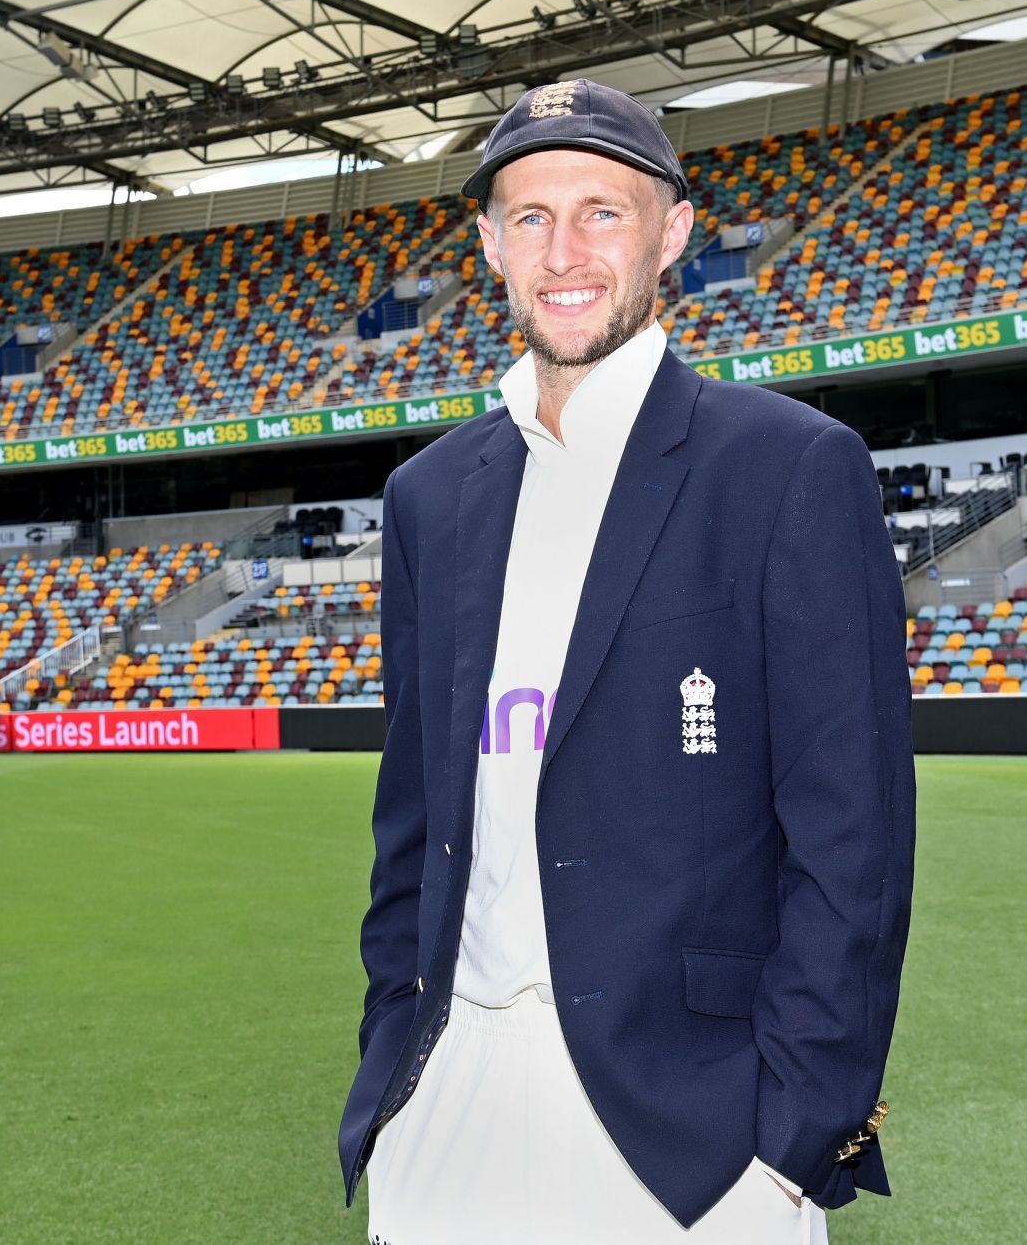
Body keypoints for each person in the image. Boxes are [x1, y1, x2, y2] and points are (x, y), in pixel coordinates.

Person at [337, 78, 916, 1243]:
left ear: (674, 234)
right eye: (532, 215)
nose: (566, 250)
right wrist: (392, 1065)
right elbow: (410, 821)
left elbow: (853, 839)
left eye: (604, 210)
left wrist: (792, 1137)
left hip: (690, 1137)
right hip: (450, 1104)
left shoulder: (789, 466)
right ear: (490, 243)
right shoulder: (430, 496)